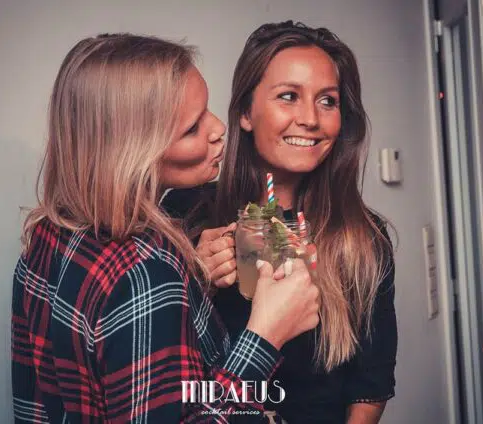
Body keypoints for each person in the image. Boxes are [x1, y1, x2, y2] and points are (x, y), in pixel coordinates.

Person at [11, 33, 321, 423]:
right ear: (132, 151)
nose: (217, 128)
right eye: (192, 129)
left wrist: (192, 279)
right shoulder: (146, 273)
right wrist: (265, 335)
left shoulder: (44, 237)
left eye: (207, 109)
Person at [161, 21, 397, 424]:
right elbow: (152, 367)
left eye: (328, 101)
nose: (311, 119)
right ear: (246, 113)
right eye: (289, 96)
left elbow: (370, 385)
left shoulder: (364, 236)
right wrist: (193, 276)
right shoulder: (187, 211)